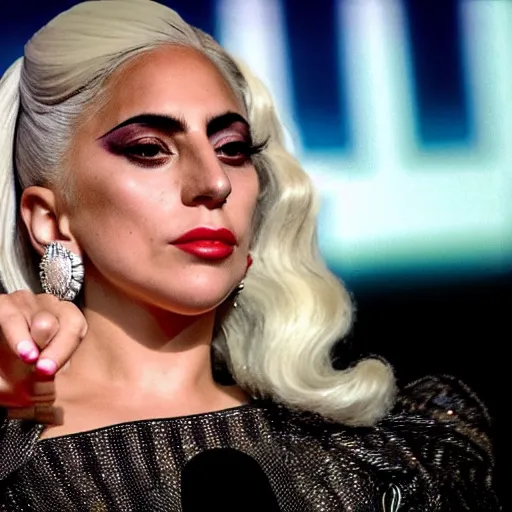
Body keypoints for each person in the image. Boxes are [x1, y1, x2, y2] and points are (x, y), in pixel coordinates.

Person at [0, 1, 500, 510]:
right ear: (48, 218)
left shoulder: (390, 461)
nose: (213, 183)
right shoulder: (9, 462)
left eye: (232, 148)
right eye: (150, 148)